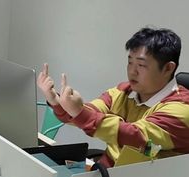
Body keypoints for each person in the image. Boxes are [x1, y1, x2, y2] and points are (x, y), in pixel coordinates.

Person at [37, 27, 189, 168]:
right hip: (108, 174)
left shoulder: (182, 109)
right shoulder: (124, 91)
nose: (132, 71)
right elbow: (88, 113)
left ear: (168, 68)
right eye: (130, 62)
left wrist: (79, 113)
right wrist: (56, 102)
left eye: (141, 65)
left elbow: (136, 136)